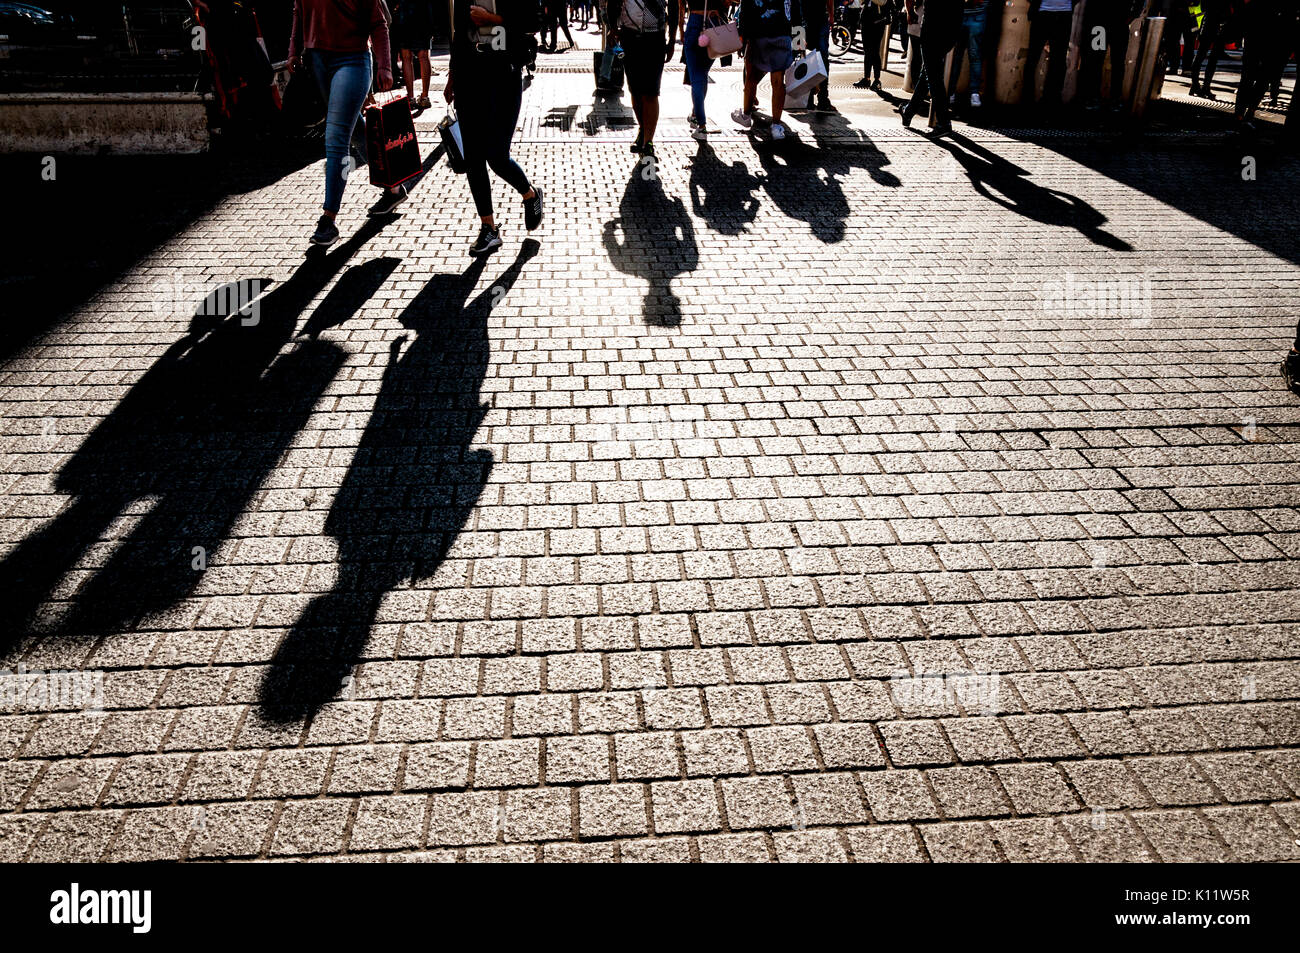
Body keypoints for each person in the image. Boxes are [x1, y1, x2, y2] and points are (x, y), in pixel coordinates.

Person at [289, 0, 395, 246]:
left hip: (352, 60)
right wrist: (293, 50)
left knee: (336, 136)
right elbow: (299, 11)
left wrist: (386, 66)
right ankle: (394, 186)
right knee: (355, 130)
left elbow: (379, 23)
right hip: (316, 60)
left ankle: (328, 220)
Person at [446, 0, 545, 254]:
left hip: (503, 77)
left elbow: (532, 21)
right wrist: (452, 77)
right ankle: (488, 228)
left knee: (497, 155)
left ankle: (530, 194)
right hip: (469, 77)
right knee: (474, 158)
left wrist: (494, 19)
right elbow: (459, 34)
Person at [610, 0, 680, 159]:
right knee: (635, 90)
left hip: (655, 38)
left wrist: (672, 39)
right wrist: (613, 28)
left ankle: (648, 142)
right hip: (629, 37)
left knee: (651, 92)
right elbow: (612, 3)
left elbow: (674, 6)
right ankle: (643, 130)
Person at [734, 0, 796, 139]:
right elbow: (796, 10)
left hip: (758, 35)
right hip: (781, 33)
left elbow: (745, 11)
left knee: (751, 78)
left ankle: (746, 116)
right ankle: (776, 125)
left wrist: (742, 39)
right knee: (778, 82)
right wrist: (800, 39)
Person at [901, 0, 961, 135]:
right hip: (951, 29)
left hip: (933, 28)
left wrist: (910, 12)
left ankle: (944, 122)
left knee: (933, 77)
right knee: (928, 71)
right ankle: (908, 111)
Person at [681, 0, 719, 139]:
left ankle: (701, 124)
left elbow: (680, 5)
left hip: (695, 21)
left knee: (697, 76)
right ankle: (696, 114)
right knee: (702, 74)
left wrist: (680, 29)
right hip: (714, 22)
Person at [392, 0, 434, 109]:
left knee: (406, 57)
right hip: (423, 11)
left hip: (404, 12)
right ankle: (425, 97)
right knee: (424, 55)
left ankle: (410, 98)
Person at [1190, 0, 1235, 99]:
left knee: (1201, 55)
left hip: (1208, 23)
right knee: (1212, 58)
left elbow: (1203, 7)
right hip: (1219, 25)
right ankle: (1205, 86)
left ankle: (1195, 84)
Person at [948, 0, 987, 108]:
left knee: (957, 56)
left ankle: (951, 91)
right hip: (976, 14)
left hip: (967, 13)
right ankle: (973, 93)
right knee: (972, 55)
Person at [798, 0, 836, 110]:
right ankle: (822, 99)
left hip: (801, 21)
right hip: (817, 21)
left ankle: (808, 99)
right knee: (822, 60)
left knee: (803, 59)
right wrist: (831, 16)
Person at [856, 0, 893, 90]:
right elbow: (861, 2)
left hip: (878, 20)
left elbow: (882, 2)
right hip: (866, 19)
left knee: (875, 50)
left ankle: (877, 80)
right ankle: (866, 78)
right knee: (867, 50)